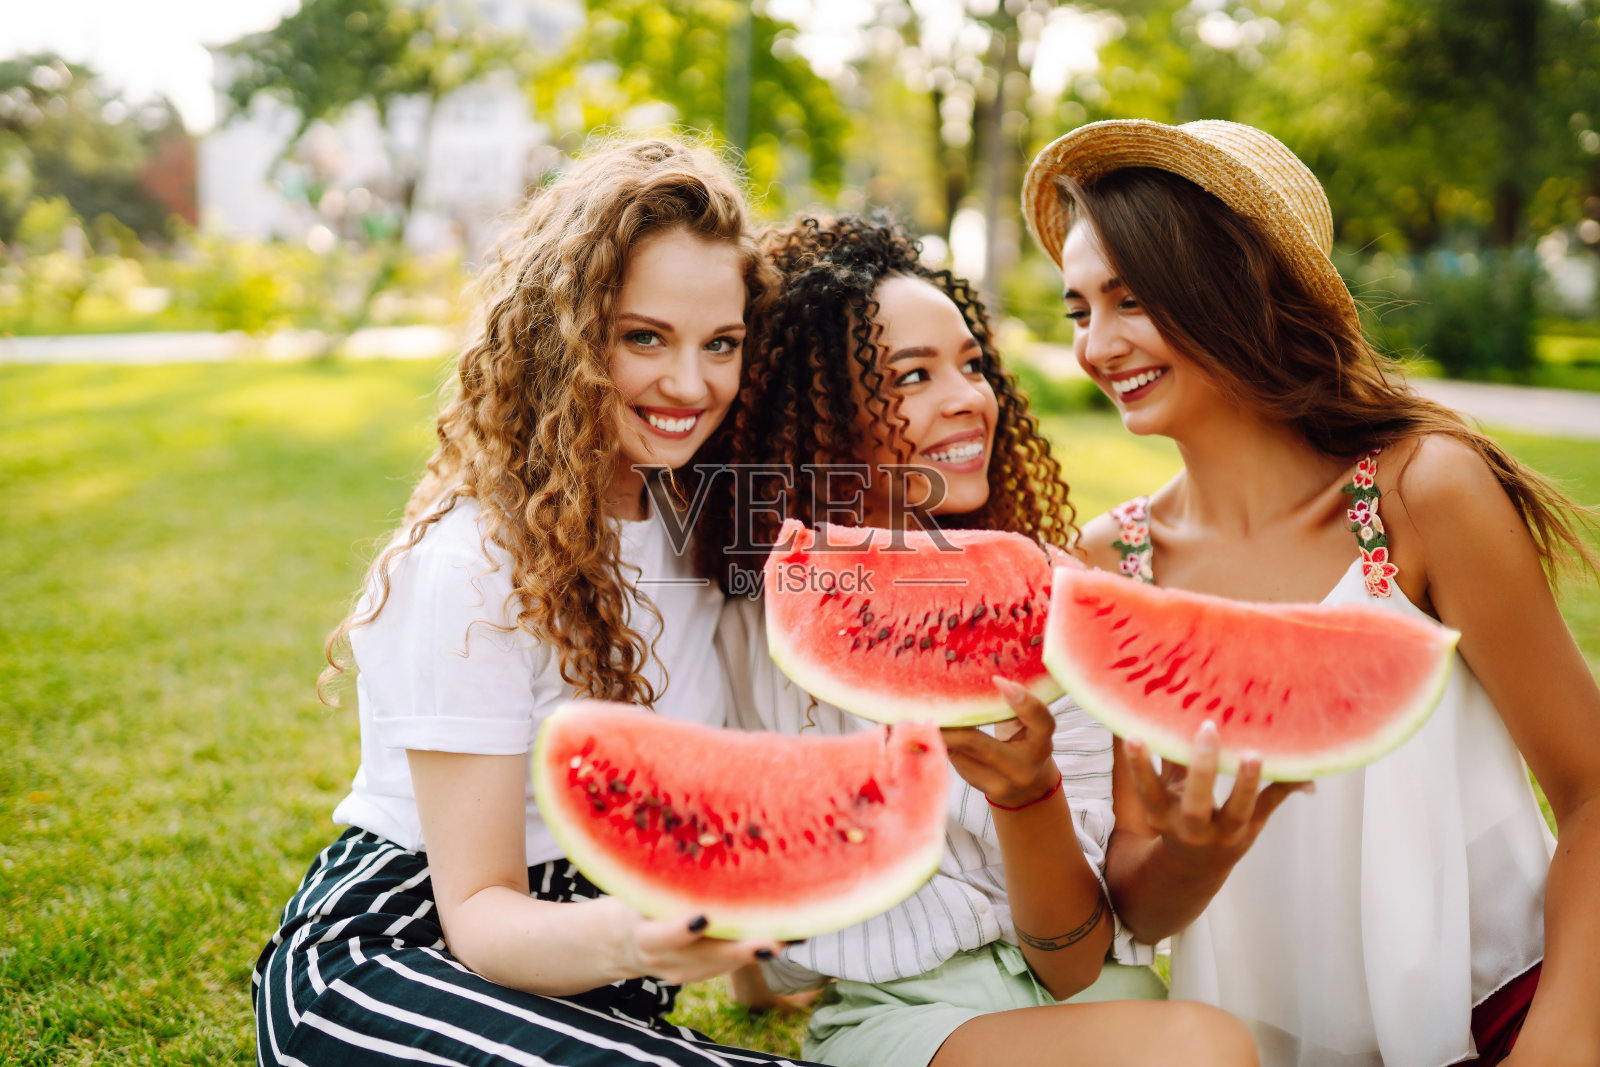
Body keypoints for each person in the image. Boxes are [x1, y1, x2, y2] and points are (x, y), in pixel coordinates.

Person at [1021, 118, 1600, 1067]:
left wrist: (1561, 1045)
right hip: (1262, 1045)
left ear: (1234, 292)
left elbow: (1590, 787)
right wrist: (1190, 852)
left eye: (1133, 300)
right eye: (1079, 309)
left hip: (1506, 1004)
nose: (1100, 343)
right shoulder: (1108, 563)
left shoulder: (1419, 492)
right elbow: (1137, 899)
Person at [252, 137, 834, 1067]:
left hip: (595, 988)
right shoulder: (473, 565)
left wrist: (763, 958)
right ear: (561, 337)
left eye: (720, 343)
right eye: (644, 336)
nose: (691, 385)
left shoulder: (708, 531)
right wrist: (638, 939)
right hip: (395, 967)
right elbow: (479, 914)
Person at [698, 215, 1260, 1067]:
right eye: (912, 376)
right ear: (815, 413)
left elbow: (1071, 961)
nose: (967, 396)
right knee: (1203, 1046)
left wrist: (1026, 796)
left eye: (972, 363)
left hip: (1088, 991)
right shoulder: (747, 615)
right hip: (901, 1019)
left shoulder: (1053, 602)